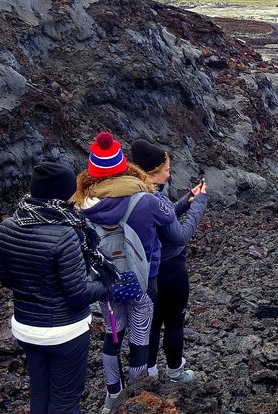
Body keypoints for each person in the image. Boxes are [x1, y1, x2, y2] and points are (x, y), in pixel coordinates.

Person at [72, 132, 177, 413]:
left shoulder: (81, 206)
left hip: (105, 283)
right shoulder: (145, 200)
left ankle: (112, 396)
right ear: (123, 166)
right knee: (140, 338)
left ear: (92, 171)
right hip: (142, 280)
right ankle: (136, 397)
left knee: (112, 335)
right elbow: (171, 223)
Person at [0, 162, 110, 414]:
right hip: (64, 331)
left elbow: (6, 279)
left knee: (39, 392)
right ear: (63, 193)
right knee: (65, 400)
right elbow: (78, 294)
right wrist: (105, 284)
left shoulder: (7, 227)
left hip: (25, 328)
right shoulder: (66, 233)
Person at [129, 139, 208, 384]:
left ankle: (149, 373)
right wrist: (200, 204)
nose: (169, 172)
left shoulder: (140, 193)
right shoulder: (155, 199)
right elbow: (180, 235)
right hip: (171, 270)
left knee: (151, 324)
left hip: (148, 272)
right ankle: (175, 372)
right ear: (153, 172)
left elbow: (163, 215)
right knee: (174, 323)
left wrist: (186, 201)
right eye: (166, 169)